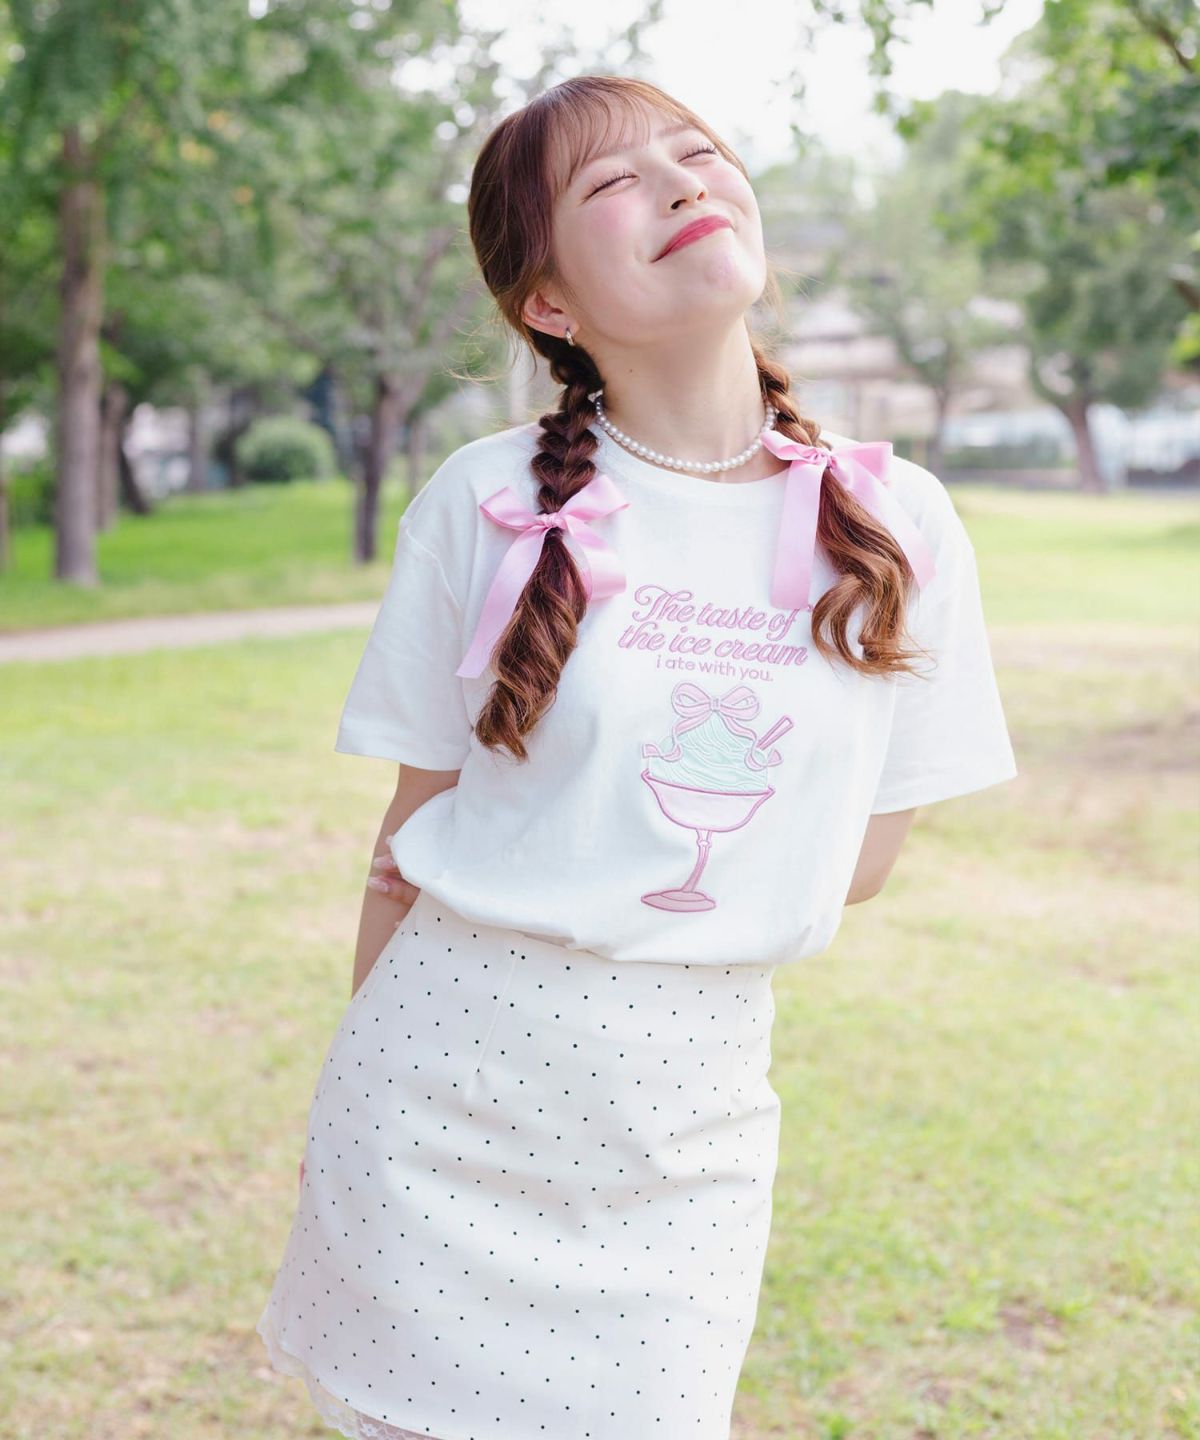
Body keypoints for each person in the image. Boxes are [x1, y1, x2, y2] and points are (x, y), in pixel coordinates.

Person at [255, 74, 1018, 1440]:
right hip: (440, 1103)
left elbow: (860, 862)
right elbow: (407, 838)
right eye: (612, 182)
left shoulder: (896, 519)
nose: (678, 184)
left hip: (689, 1130)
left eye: (697, 153)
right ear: (549, 302)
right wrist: (347, 1103)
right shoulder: (484, 502)